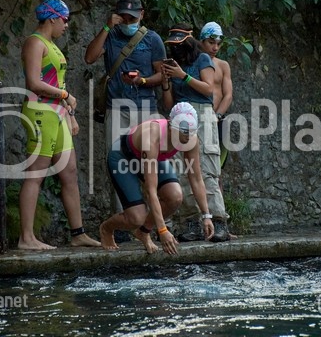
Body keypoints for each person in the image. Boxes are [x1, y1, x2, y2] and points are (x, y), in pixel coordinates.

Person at [18, 0, 100, 250]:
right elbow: (34, 83)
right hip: (40, 112)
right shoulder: (35, 42)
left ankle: (78, 233)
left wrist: (69, 113)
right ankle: (26, 238)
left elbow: (58, 82)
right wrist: (65, 95)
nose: (66, 25)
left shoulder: (52, 45)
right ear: (52, 18)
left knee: (70, 172)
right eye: (64, 20)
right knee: (36, 174)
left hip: (57, 113)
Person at [84, 0, 166, 228]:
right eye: (124, 17)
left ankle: (151, 220)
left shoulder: (153, 39)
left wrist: (142, 80)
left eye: (132, 17)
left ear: (142, 15)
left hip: (146, 107)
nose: (128, 21)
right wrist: (106, 27)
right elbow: (89, 57)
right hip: (116, 106)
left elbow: (162, 75)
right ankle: (123, 220)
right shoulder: (110, 35)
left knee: (150, 164)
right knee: (117, 161)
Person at [99, 102, 214, 254]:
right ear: (170, 126)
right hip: (123, 158)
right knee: (136, 218)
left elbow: (196, 178)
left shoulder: (191, 139)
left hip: (153, 158)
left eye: (191, 133)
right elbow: (151, 191)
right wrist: (162, 230)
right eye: (182, 134)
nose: (186, 138)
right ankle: (106, 228)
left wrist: (206, 215)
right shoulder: (152, 136)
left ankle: (143, 231)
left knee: (175, 197)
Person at [161, 23, 231, 243]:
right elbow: (168, 104)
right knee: (182, 170)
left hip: (203, 113)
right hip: (179, 114)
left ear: (189, 42)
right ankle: (192, 223)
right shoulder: (174, 64)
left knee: (208, 169)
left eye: (180, 44)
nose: (176, 48)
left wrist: (183, 76)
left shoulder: (202, 59)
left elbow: (209, 89)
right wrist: (166, 83)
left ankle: (219, 222)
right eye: (173, 45)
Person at [200, 22, 233, 169]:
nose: (215, 48)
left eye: (218, 44)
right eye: (211, 42)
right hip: (198, 119)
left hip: (217, 120)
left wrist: (217, 116)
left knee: (217, 167)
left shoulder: (223, 65)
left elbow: (228, 95)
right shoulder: (194, 63)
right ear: (202, 41)